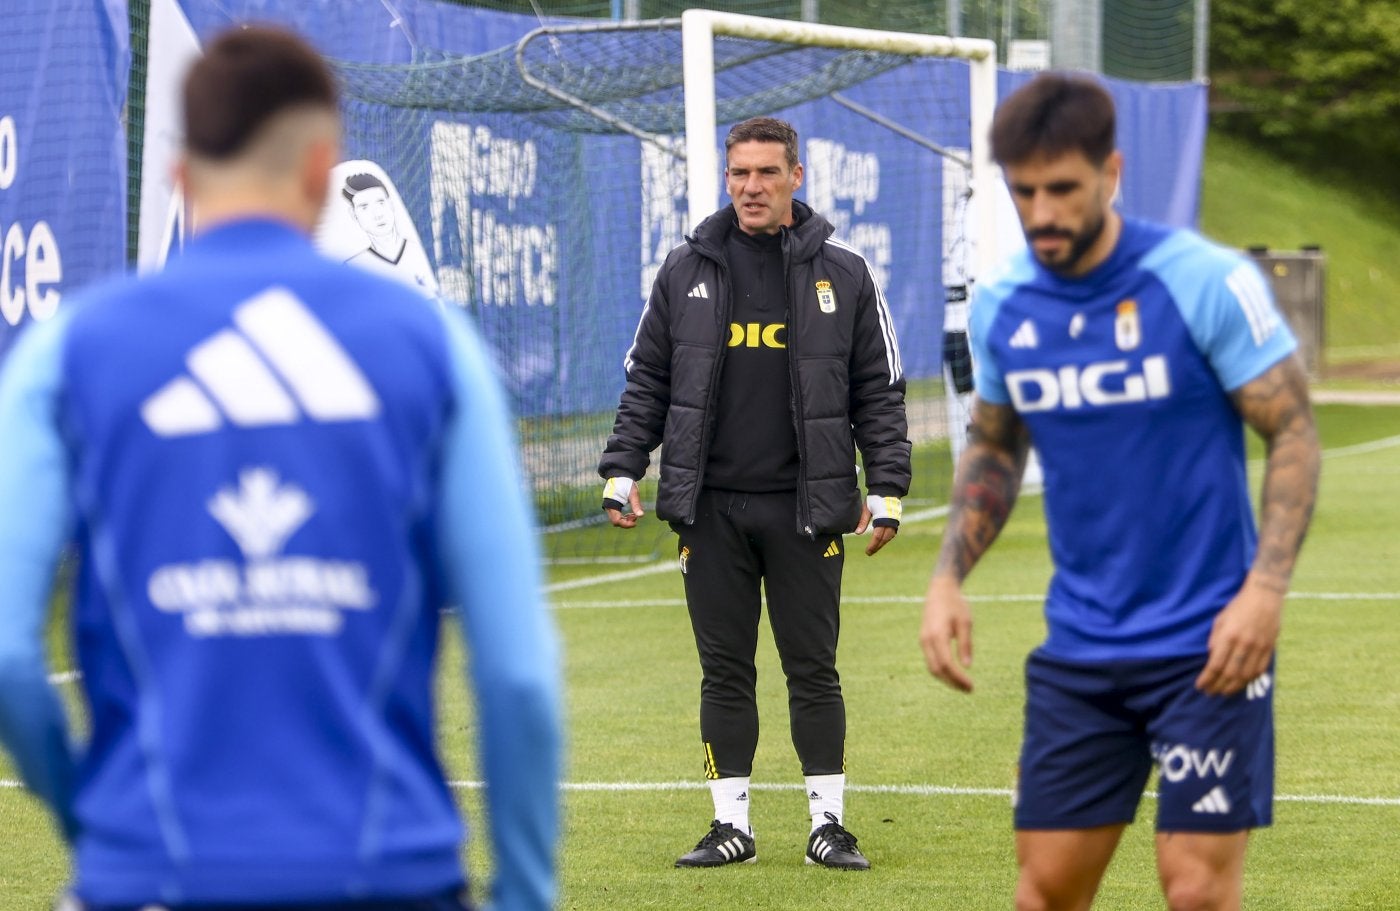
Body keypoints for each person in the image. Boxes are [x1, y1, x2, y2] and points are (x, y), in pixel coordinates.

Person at [0, 25, 561, 911]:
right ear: (321, 171)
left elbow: (5, 650)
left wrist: (97, 825)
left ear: (182, 177)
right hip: (386, 876)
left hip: (146, 874)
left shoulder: (64, 350)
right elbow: (518, 674)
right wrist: (526, 892)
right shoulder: (431, 344)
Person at [919, 72, 1320, 911]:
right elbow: (994, 444)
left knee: (1198, 893)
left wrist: (1266, 591)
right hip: (1082, 648)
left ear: (1113, 172)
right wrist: (947, 576)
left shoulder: (1200, 280)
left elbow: (1292, 431)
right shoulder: (1004, 307)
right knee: (1046, 893)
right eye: (1023, 191)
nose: (1042, 213)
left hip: (1210, 644)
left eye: (1062, 188)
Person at [599, 116, 911, 871]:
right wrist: (622, 466)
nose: (751, 187)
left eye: (767, 173)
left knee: (814, 667)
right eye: (739, 173)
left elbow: (880, 390)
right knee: (724, 668)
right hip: (710, 510)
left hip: (809, 509)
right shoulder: (683, 271)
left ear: (796, 177)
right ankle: (729, 827)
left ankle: (828, 826)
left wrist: (890, 488)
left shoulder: (847, 272)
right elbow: (648, 380)